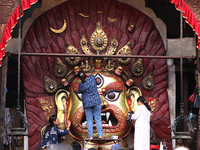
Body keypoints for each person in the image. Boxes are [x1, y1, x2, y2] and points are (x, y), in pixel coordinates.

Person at [78, 70, 103, 139]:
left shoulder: (80, 84)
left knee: (89, 119)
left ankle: (90, 136)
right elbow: (91, 74)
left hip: (87, 103)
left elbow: (79, 90)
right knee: (98, 119)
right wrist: (85, 74)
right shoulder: (91, 79)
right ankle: (100, 135)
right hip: (96, 101)